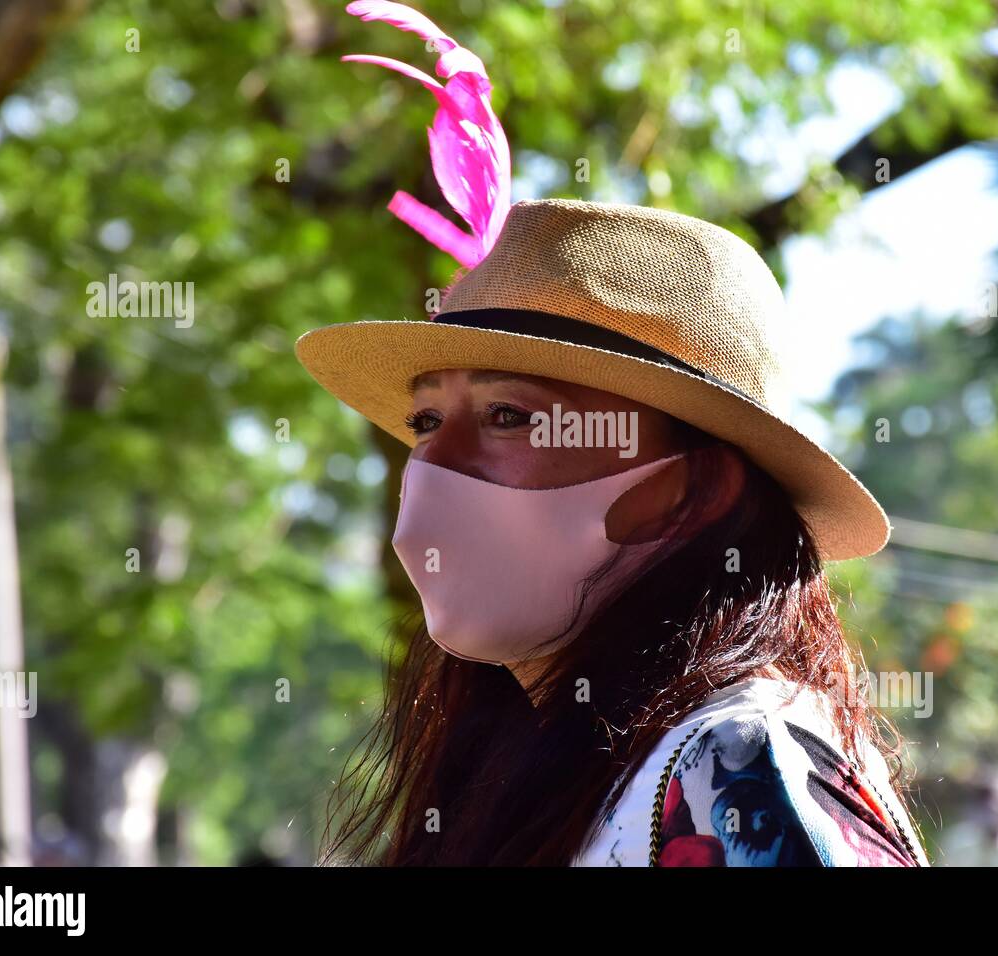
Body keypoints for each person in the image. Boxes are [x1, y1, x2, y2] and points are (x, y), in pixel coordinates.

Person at [298, 2, 925, 867]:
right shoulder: (570, 767)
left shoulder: (735, 769)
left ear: (689, 492)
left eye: (509, 416)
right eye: (425, 421)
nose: (430, 465)